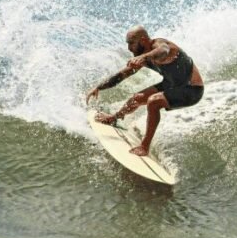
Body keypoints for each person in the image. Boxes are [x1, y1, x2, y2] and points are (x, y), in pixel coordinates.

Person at [85, 25, 204, 157]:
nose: (129, 48)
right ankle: (114, 118)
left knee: (153, 101)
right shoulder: (143, 56)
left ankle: (144, 146)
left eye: (131, 43)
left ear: (142, 40)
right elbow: (123, 75)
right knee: (137, 98)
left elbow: (163, 51)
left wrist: (144, 57)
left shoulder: (159, 45)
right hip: (171, 84)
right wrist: (99, 87)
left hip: (191, 89)